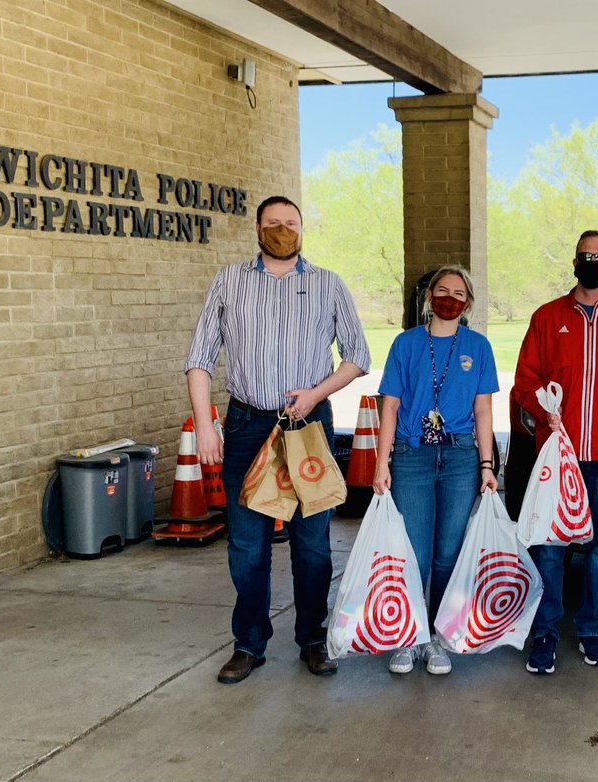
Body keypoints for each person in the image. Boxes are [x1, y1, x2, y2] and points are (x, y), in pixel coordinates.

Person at [185, 195, 370, 684]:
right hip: (247, 425)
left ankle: (312, 638)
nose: (282, 229)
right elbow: (200, 358)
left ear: (303, 231)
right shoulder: (229, 281)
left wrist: (316, 394)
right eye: (273, 223)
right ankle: (249, 643)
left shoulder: (328, 285)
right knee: (248, 545)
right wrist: (206, 425)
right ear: (258, 230)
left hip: (308, 424)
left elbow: (357, 356)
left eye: (291, 223)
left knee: (312, 545)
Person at [513, 230, 598, 674]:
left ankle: (591, 628)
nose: (594, 262)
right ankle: (547, 630)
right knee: (550, 548)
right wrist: (543, 411)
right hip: (557, 456)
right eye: (586, 256)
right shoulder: (547, 317)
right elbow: (524, 382)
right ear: (575, 262)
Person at [372, 266, 499, 675]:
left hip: (461, 458)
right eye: (441, 290)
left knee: (448, 554)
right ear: (429, 297)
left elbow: (483, 409)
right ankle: (410, 637)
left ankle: (439, 637)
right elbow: (389, 405)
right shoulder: (406, 344)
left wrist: (487, 464)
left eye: (458, 292)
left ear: (469, 302)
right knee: (415, 553)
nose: (449, 298)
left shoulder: (478, 347)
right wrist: (381, 462)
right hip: (413, 456)